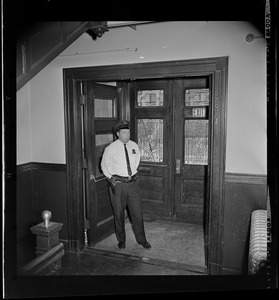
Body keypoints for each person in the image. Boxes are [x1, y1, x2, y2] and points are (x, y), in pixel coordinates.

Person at [101, 120, 151, 250]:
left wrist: (131, 174)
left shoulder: (134, 145)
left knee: (137, 214)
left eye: (128, 132)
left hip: (132, 184)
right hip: (118, 186)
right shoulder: (110, 149)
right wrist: (112, 178)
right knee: (119, 214)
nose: (127, 135)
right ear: (118, 134)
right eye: (124, 132)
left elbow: (136, 160)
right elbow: (104, 166)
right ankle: (121, 240)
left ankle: (142, 240)